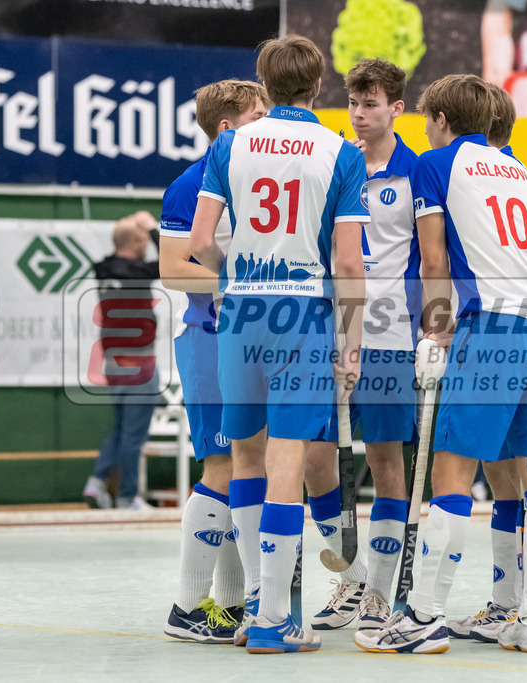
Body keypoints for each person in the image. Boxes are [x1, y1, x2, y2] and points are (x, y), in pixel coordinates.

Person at [356, 73, 527, 655]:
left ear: (442, 121)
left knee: (451, 473)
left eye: (428, 118)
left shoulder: (434, 164)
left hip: (491, 327)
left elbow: (431, 260)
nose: (425, 127)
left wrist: (438, 331)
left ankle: (423, 617)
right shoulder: (517, 166)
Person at [189, 34, 367, 655]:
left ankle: (250, 614)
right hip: (303, 313)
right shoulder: (341, 153)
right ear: (318, 86)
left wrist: (235, 276)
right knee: (287, 464)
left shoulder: (229, 143)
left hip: (241, 309)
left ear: (264, 86)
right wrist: (351, 340)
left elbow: (202, 242)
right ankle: (272, 619)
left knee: (244, 459)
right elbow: (348, 263)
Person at [445, 82, 527, 645]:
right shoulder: (518, 172)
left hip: (493, 330)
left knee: (483, 470)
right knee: (524, 472)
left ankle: (509, 605)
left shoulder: (463, 169)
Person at [304, 58, 420, 634]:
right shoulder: (334, 164)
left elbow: (431, 261)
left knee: (383, 459)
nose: (359, 113)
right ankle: (349, 575)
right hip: (327, 329)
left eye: (371, 103)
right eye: (353, 102)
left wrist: (432, 325)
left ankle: (381, 587)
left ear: (397, 108)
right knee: (316, 455)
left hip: (390, 336)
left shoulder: (415, 174)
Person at [157, 79, 269, 643]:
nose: (269, 119)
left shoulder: (260, 179)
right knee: (222, 468)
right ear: (227, 128)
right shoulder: (190, 185)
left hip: (251, 342)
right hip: (210, 338)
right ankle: (185, 608)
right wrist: (244, 282)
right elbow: (173, 269)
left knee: (253, 467)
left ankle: (230, 607)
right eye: (259, 112)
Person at [83, 212, 161, 511]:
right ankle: (128, 496)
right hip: (139, 363)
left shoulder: (102, 269)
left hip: (113, 364)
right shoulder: (137, 272)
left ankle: (98, 481)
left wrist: (129, 228)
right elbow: (172, 261)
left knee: (119, 429)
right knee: (134, 434)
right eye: (142, 242)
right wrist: (152, 228)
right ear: (135, 242)